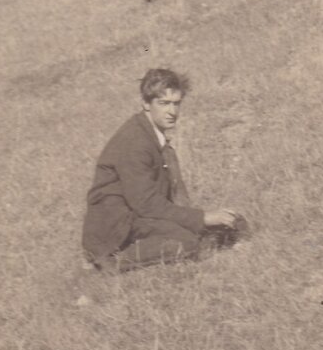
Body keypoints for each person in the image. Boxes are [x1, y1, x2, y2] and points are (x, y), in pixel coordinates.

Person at [82, 68, 241, 272]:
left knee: (232, 223)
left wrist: (200, 219)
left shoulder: (152, 135)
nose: (172, 112)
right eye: (164, 103)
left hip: (138, 216)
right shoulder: (134, 142)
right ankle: (108, 262)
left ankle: (204, 244)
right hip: (116, 229)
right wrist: (201, 218)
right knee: (186, 242)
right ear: (146, 103)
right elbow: (146, 204)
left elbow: (165, 198)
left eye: (176, 103)